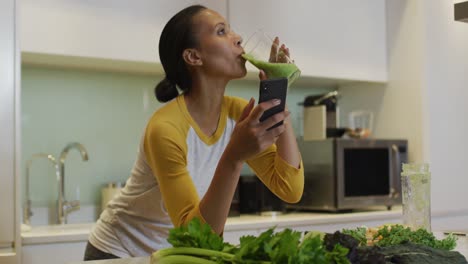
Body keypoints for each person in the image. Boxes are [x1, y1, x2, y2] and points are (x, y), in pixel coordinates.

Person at [84, 4, 304, 260]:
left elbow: (290, 189)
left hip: (173, 252)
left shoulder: (238, 114)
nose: (238, 38)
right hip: (120, 251)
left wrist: (278, 91)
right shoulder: (165, 128)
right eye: (222, 31)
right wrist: (234, 157)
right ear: (193, 57)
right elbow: (197, 236)